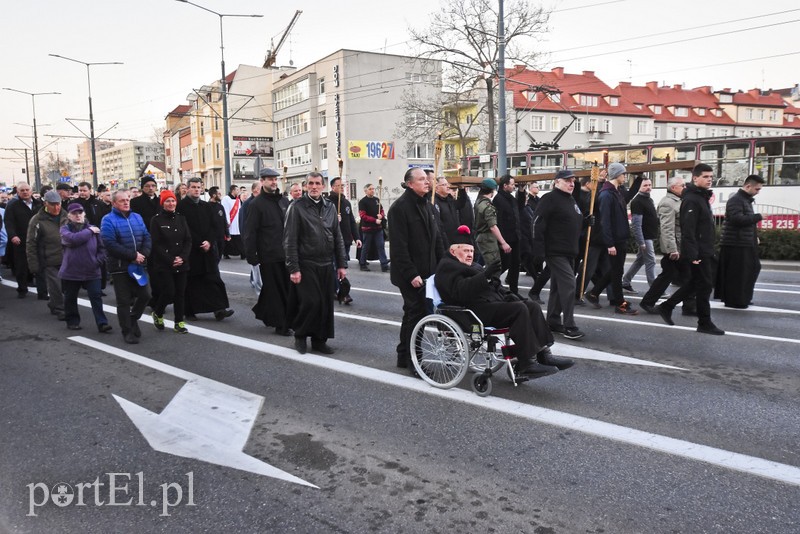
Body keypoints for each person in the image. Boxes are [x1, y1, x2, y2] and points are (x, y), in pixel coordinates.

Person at [435, 225, 573, 377]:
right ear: (453, 251)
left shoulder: (473, 266)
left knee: (531, 306)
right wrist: (484, 276)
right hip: (472, 312)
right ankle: (527, 363)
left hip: (489, 304)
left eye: (472, 251)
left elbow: (495, 286)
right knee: (518, 309)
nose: (470, 255)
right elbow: (460, 292)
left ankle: (543, 354)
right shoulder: (448, 267)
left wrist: (511, 295)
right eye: (465, 251)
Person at [284, 172, 347, 354]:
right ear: (305, 186)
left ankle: (320, 340)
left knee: (325, 305)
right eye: (310, 183)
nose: (314, 187)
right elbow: (289, 239)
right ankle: (301, 335)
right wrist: (294, 268)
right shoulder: (297, 207)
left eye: (317, 183)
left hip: (326, 262)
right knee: (310, 301)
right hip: (306, 262)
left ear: (322, 186)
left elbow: (337, 236)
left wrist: (341, 264)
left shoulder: (330, 207)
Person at [388, 167, 445, 371]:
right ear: (410, 184)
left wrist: (443, 266)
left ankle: (403, 354)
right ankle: (414, 360)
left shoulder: (427, 205)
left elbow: (437, 238)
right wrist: (412, 274)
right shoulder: (399, 208)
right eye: (421, 179)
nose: (427, 182)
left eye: (427, 179)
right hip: (410, 275)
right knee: (416, 314)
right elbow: (399, 247)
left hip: (428, 272)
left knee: (413, 314)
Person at [658, 163, 724, 335]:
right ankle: (704, 322)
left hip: (704, 249)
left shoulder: (701, 197)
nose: (709, 179)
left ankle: (667, 306)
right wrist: (693, 254)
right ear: (695, 178)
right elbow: (688, 229)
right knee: (704, 286)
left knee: (696, 284)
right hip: (699, 252)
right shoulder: (692, 199)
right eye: (705, 176)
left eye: (711, 177)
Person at [532, 170, 586, 339]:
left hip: (569, 251)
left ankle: (553, 321)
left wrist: (586, 221)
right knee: (569, 284)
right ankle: (570, 326)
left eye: (573, 181)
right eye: (567, 180)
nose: (571, 184)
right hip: (555, 251)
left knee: (557, 288)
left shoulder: (571, 200)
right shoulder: (549, 199)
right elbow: (537, 223)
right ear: (556, 182)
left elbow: (572, 221)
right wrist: (539, 250)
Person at [584, 162, 638, 315]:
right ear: (617, 175)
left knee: (615, 269)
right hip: (614, 240)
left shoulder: (616, 191)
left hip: (619, 238)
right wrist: (609, 243)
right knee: (617, 272)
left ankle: (594, 293)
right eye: (623, 174)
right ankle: (620, 303)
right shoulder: (606, 194)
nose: (625, 176)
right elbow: (605, 221)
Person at [178, 177, 234, 321]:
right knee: (192, 281)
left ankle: (219, 309)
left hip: (207, 249)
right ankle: (189, 311)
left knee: (213, 278)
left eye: (199, 187)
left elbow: (214, 226)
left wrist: (209, 241)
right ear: (188, 189)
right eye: (193, 187)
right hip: (191, 250)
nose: (197, 190)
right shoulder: (181, 206)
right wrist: (198, 242)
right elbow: (184, 228)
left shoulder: (206, 206)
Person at [245, 167, 292, 336]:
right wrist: (251, 255)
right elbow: (250, 232)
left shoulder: (284, 201)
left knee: (284, 288)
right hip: (268, 253)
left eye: (275, 179)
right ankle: (281, 324)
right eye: (270, 179)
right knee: (275, 290)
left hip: (287, 253)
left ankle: (265, 313)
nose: (273, 182)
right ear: (262, 181)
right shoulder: (256, 204)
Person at [101, 189, 152, 344]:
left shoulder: (137, 217)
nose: (126, 202)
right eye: (122, 200)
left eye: (128, 199)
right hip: (120, 266)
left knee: (145, 295)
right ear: (114, 203)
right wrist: (133, 256)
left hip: (138, 265)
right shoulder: (108, 220)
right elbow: (110, 243)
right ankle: (127, 331)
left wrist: (143, 254)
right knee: (123, 301)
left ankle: (132, 318)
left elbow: (146, 237)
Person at [639, 177, 690, 314]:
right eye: (682, 185)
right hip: (674, 247)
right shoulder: (668, 203)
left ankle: (689, 306)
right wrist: (672, 249)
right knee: (669, 275)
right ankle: (648, 302)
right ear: (673, 188)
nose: (685, 187)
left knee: (685, 276)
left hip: (680, 246)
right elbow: (667, 228)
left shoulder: (678, 201)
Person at [59, 203, 111, 332]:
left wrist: (97, 261)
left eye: (80, 213)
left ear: (84, 214)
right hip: (71, 270)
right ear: (69, 216)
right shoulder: (65, 229)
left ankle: (102, 323)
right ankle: (72, 321)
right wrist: (89, 231)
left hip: (92, 270)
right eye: (74, 213)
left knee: (96, 296)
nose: (78, 216)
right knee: (70, 297)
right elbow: (73, 240)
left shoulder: (94, 229)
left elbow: (102, 248)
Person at [714, 174, 765, 308]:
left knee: (749, 269)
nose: (758, 192)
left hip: (742, 241)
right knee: (739, 273)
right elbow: (737, 219)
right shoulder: (736, 200)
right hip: (736, 242)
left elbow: (745, 221)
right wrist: (758, 216)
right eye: (757, 189)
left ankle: (742, 298)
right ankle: (736, 300)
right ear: (748, 186)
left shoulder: (744, 200)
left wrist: (754, 236)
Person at [149, 190, 192, 334]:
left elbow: (188, 240)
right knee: (169, 292)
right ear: (162, 203)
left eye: (173, 201)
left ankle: (179, 322)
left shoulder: (181, 218)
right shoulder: (156, 220)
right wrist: (171, 259)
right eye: (167, 201)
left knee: (180, 293)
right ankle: (158, 312)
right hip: (165, 263)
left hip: (182, 262)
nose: (171, 203)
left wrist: (183, 257)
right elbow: (156, 244)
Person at [27, 190, 67, 319]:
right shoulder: (37, 220)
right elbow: (31, 243)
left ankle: (55, 304)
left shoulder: (66, 216)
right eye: (52, 204)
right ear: (45, 204)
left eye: (58, 204)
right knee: (55, 286)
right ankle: (60, 308)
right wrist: (34, 265)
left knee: (66, 286)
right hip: (49, 259)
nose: (56, 207)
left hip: (67, 258)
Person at [4, 182, 44, 298]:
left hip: (38, 239)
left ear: (31, 191)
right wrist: (13, 236)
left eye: (27, 190)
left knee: (40, 265)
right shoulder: (13, 205)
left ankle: (42, 292)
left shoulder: (39, 204)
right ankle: (22, 289)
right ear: (18, 192)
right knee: (21, 266)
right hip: (20, 240)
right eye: (22, 190)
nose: (25, 192)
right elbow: (9, 222)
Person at [622, 178, 658, 293]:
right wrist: (641, 241)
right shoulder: (637, 201)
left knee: (640, 260)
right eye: (645, 185)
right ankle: (655, 290)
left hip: (648, 236)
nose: (648, 187)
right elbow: (636, 224)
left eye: (649, 185)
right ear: (639, 187)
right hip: (645, 237)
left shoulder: (649, 199)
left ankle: (625, 282)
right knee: (651, 261)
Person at [473, 178, 510, 278]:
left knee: (487, 265)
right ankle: (492, 286)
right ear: (493, 190)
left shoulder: (479, 202)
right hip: (487, 238)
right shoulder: (487, 205)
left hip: (482, 237)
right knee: (494, 266)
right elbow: (493, 226)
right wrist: (503, 242)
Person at [492, 175, 521, 294]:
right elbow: (498, 222)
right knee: (504, 264)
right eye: (512, 184)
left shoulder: (511, 198)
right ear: (505, 185)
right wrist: (502, 242)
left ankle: (514, 291)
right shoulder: (498, 199)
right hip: (506, 238)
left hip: (515, 236)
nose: (514, 186)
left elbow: (520, 208)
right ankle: (490, 284)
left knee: (515, 264)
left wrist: (522, 191)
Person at [358, 183, 389, 272]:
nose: (372, 190)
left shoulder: (377, 200)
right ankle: (362, 263)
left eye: (373, 189)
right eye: (370, 189)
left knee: (381, 246)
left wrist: (381, 215)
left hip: (378, 228)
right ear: (365, 191)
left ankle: (384, 265)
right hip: (367, 228)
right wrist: (374, 220)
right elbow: (363, 215)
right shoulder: (362, 202)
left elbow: (381, 210)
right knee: (366, 247)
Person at [329, 177, 361, 261]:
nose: (342, 187)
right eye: (339, 185)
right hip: (333, 240)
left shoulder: (346, 203)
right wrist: (334, 219)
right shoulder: (327, 202)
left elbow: (352, 221)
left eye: (342, 185)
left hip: (346, 239)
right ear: (333, 187)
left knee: (344, 264)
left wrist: (357, 238)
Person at [221, 185, 244, 259]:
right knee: (229, 238)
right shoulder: (226, 199)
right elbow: (226, 210)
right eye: (237, 190)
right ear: (233, 191)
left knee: (239, 238)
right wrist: (227, 221)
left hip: (237, 222)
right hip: (230, 221)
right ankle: (226, 253)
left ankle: (242, 253)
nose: (238, 191)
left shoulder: (238, 200)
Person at [207, 186, 229, 262]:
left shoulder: (220, 206)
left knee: (219, 256)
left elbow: (224, 220)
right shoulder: (207, 206)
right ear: (214, 195)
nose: (220, 195)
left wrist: (227, 234)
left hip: (221, 236)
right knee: (214, 257)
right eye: (219, 194)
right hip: (212, 237)